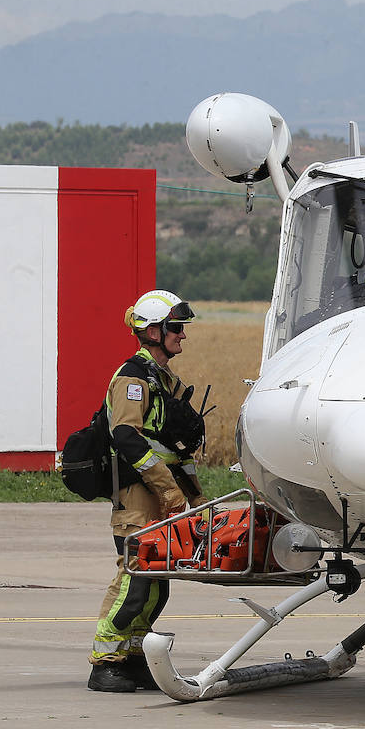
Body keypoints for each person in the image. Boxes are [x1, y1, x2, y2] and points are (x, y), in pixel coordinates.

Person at [88, 290, 206, 692]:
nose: (182, 336)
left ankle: (134, 658)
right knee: (134, 580)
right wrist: (169, 491)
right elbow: (127, 437)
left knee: (159, 584)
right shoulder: (132, 379)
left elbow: (176, 447)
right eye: (176, 328)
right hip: (138, 497)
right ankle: (106, 662)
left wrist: (196, 497)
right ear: (153, 331)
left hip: (164, 495)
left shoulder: (165, 380)